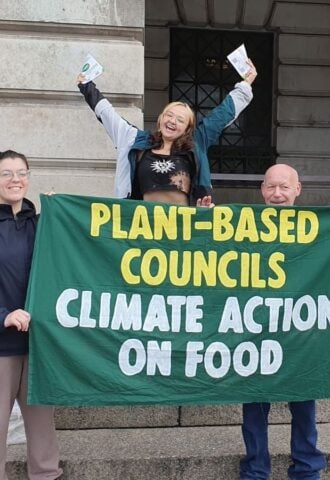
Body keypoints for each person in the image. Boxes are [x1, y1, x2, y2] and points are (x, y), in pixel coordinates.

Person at [239, 164, 326, 480]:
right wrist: (203, 219)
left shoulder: (317, 230)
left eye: (284, 187)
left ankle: (306, 468)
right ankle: (255, 469)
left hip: (300, 335)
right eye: (271, 187)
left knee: (304, 405)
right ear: (262, 190)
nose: (277, 194)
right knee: (254, 409)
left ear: (297, 190)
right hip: (254, 330)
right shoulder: (240, 228)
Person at [77, 60, 257, 206]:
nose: (172, 121)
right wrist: (86, 86)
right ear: (160, 119)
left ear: (187, 128)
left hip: (182, 226)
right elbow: (109, 116)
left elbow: (222, 114)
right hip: (143, 225)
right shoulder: (136, 140)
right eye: (169, 115)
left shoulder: (197, 141)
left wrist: (246, 84)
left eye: (180, 120)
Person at [0, 150, 62, 480]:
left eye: (21, 172)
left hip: (38, 346)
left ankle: (47, 476)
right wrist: (4, 315)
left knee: (42, 426)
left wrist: (60, 216)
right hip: (2, 346)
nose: (15, 180)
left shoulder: (38, 223)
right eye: (6, 173)